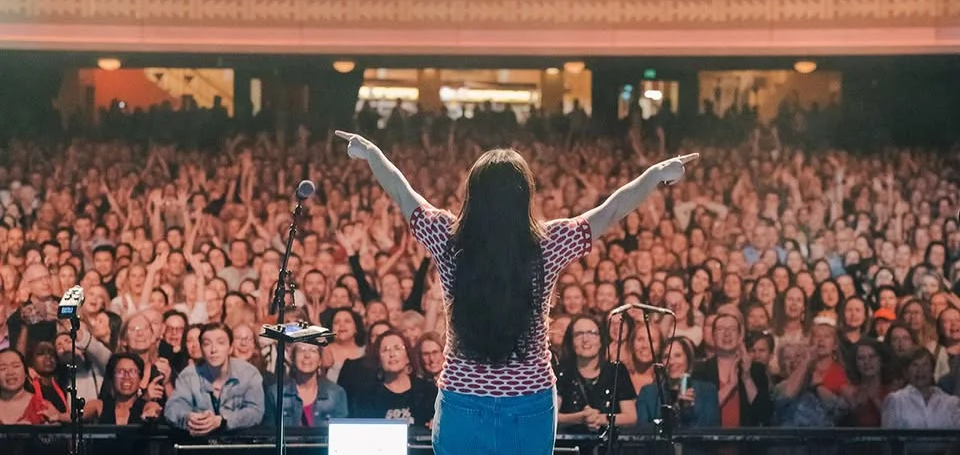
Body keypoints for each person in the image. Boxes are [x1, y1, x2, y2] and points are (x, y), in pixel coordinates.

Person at [335, 130, 696, 454]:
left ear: (473, 194)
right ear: (525, 195)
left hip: (463, 399)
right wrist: (657, 173)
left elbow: (402, 192)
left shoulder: (447, 238)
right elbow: (612, 209)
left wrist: (371, 153)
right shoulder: (548, 243)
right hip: (531, 402)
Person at [164, 323, 265, 436]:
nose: (213, 349)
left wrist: (222, 421)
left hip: (237, 443)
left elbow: (255, 412)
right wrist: (189, 418)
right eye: (207, 344)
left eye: (220, 343)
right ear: (201, 349)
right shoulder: (189, 375)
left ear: (230, 348)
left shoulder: (249, 374)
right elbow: (172, 408)